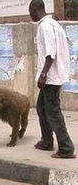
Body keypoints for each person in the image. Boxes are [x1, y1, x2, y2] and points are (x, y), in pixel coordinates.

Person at [29, 0, 76, 159]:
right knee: (41, 108)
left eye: (30, 12)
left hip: (50, 78)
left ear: (35, 10)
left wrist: (43, 75)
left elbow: (50, 54)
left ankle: (66, 148)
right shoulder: (53, 24)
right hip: (52, 77)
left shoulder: (46, 26)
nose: (30, 15)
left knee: (53, 113)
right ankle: (47, 141)